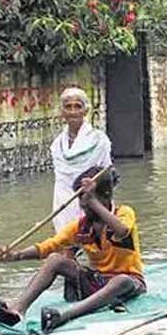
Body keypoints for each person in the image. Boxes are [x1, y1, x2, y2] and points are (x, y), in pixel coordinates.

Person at [0, 166, 144, 333]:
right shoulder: (81, 227)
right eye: (82, 201)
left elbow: (122, 231)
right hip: (97, 282)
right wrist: (15, 256)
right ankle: (17, 310)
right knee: (55, 259)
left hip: (129, 283)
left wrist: (92, 200)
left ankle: (63, 316)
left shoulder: (124, 213)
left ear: (105, 196)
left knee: (121, 280)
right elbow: (49, 246)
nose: (83, 207)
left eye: (87, 202)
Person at [50, 87, 112, 231]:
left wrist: (92, 190)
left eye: (78, 106)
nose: (73, 112)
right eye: (68, 107)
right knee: (64, 246)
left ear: (85, 111)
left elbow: (107, 175)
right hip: (63, 206)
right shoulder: (57, 145)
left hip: (92, 204)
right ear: (62, 112)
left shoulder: (99, 140)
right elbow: (61, 184)